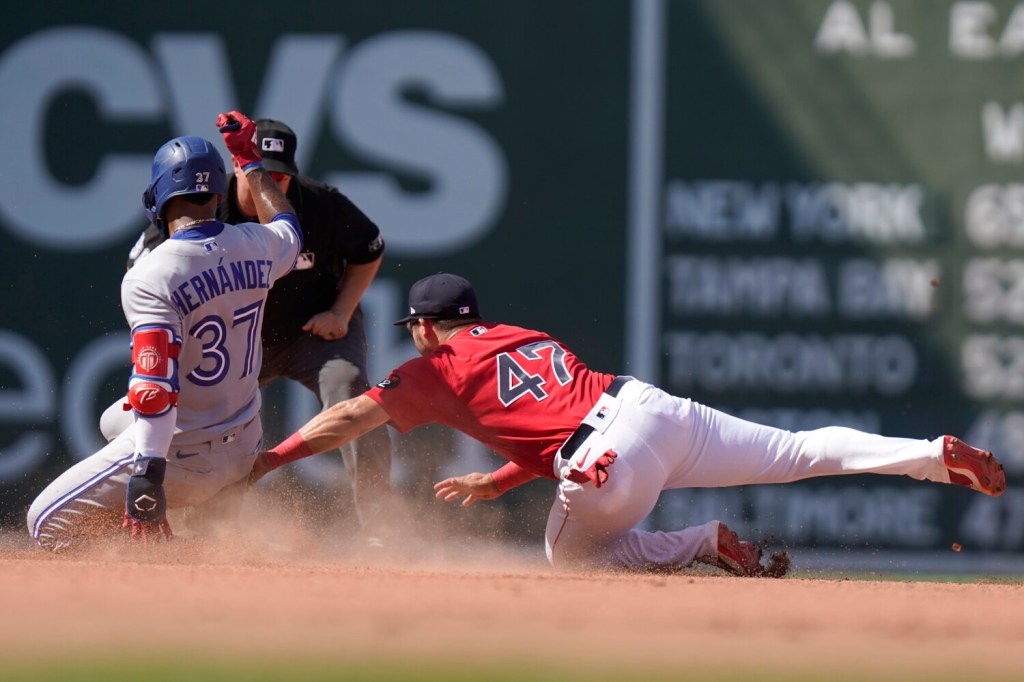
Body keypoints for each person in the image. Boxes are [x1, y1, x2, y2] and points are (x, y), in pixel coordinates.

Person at [247, 272, 1007, 575]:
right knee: (800, 450)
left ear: (423, 328)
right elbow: (559, 417)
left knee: (573, 560)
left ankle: (701, 543)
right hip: (652, 410)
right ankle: (930, 456)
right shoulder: (523, 335)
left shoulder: (434, 368)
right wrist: (503, 475)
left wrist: (267, 463)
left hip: (605, 458)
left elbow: (346, 415)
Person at [103, 118, 392, 542]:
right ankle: (207, 528)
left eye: (281, 175)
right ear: (238, 170)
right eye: (261, 171)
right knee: (195, 416)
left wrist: (342, 310)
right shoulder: (203, 210)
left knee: (348, 387)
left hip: (311, 333)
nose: (272, 182)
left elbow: (370, 249)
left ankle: (380, 528)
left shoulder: (319, 204)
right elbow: (145, 273)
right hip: (235, 342)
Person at [27, 111, 302, 549]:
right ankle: (210, 504)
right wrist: (249, 159)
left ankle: (163, 561)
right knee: (112, 420)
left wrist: (147, 477)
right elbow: (289, 224)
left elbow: (154, 389)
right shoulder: (259, 244)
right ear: (216, 193)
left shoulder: (151, 273)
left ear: (157, 197)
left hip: (182, 456)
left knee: (44, 526)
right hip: (245, 443)